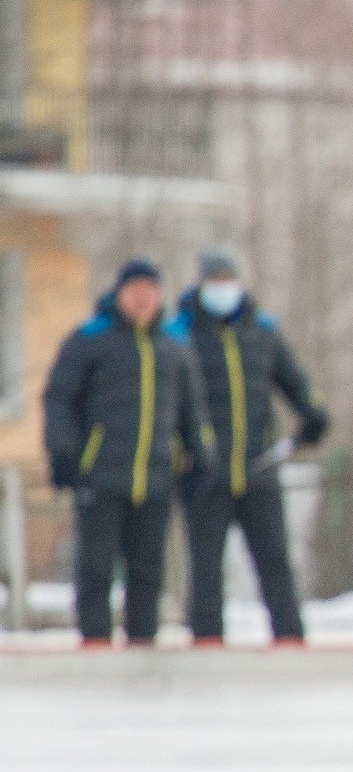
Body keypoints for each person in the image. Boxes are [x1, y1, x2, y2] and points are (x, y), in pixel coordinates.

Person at [41, 259, 210, 647]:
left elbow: (191, 411)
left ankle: (142, 646)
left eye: (150, 291)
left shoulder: (173, 347)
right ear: (119, 294)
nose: (142, 298)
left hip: (156, 478)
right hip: (100, 476)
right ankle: (95, 643)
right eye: (135, 290)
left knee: (148, 571)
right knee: (96, 569)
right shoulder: (89, 341)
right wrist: (62, 452)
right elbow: (59, 399)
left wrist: (200, 455)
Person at [167, 249, 328, 646]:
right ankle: (207, 645)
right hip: (204, 472)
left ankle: (290, 641)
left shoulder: (262, 331)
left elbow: (295, 383)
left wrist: (313, 415)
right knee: (205, 568)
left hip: (259, 468)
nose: (223, 289)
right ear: (201, 284)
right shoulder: (180, 334)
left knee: (275, 563)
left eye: (228, 280)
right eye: (215, 281)